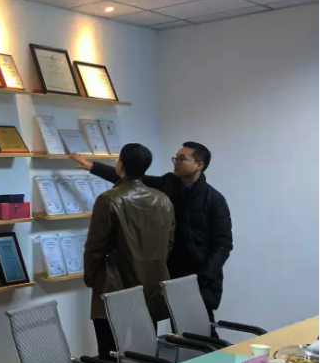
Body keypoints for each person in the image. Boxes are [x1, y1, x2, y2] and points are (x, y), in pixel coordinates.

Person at [73, 141, 233, 328]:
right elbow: (134, 178)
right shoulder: (169, 183)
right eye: (175, 158)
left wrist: (202, 279)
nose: (176, 163)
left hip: (199, 279)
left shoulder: (214, 200)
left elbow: (223, 245)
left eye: (181, 159)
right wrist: (93, 167)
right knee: (179, 334)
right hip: (170, 275)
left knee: (201, 331)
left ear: (199, 165)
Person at [82, 143, 175, 363]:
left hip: (113, 286)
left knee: (110, 356)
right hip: (152, 286)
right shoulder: (163, 199)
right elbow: (169, 242)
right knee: (146, 350)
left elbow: (94, 247)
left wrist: (91, 277)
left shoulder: (108, 199)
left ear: (120, 164)